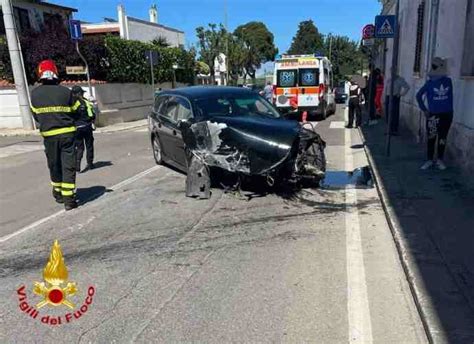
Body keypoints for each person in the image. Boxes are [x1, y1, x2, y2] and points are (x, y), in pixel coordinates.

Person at [30, 60, 80, 210]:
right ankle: (69, 199)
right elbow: (77, 110)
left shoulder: (35, 94)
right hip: (67, 135)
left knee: (54, 165)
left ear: (40, 74)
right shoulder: (66, 92)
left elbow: (36, 116)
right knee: (68, 166)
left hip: (49, 137)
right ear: (55, 73)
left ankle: (58, 192)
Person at [416, 57, 453, 171]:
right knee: (431, 137)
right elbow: (418, 96)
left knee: (442, 137)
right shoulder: (429, 84)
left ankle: (440, 160)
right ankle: (429, 160)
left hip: (447, 114)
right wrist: (425, 110)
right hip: (433, 115)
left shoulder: (448, 81)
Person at [72, 86, 96, 172]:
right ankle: (90, 164)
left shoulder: (70, 102)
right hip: (86, 126)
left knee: (79, 147)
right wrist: (92, 121)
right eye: (82, 93)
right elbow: (92, 115)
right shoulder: (85, 101)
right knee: (89, 145)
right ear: (78, 93)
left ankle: (77, 165)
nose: (83, 94)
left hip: (76, 128)